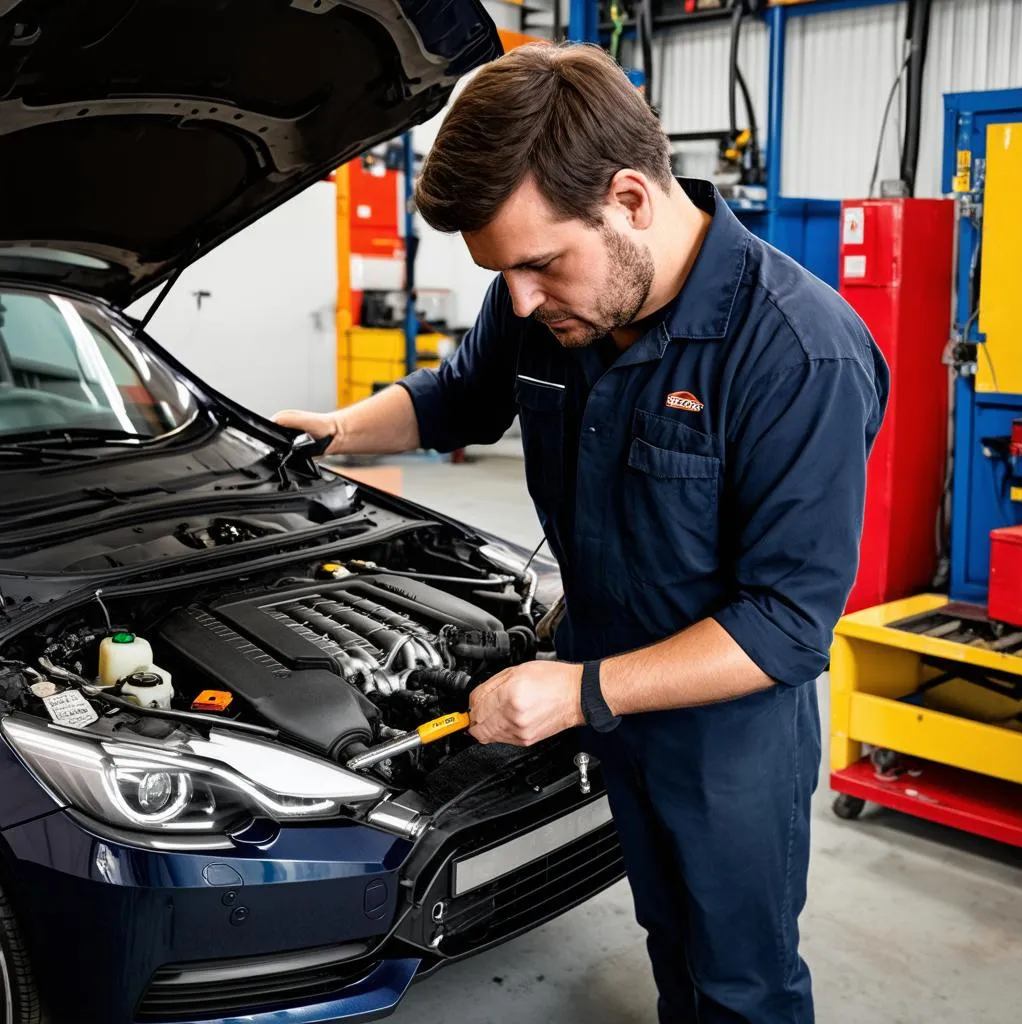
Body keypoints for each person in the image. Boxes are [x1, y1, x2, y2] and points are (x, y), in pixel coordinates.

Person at [274, 42, 888, 1024]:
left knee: (741, 976)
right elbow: (454, 399)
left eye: (539, 265)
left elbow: (785, 623)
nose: (519, 299)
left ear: (632, 199)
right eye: (502, 273)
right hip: (602, 686)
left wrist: (581, 688)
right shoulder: (545, 299)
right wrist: (340, 429)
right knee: (667, 938)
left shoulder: (797, 353)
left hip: (723, 733)